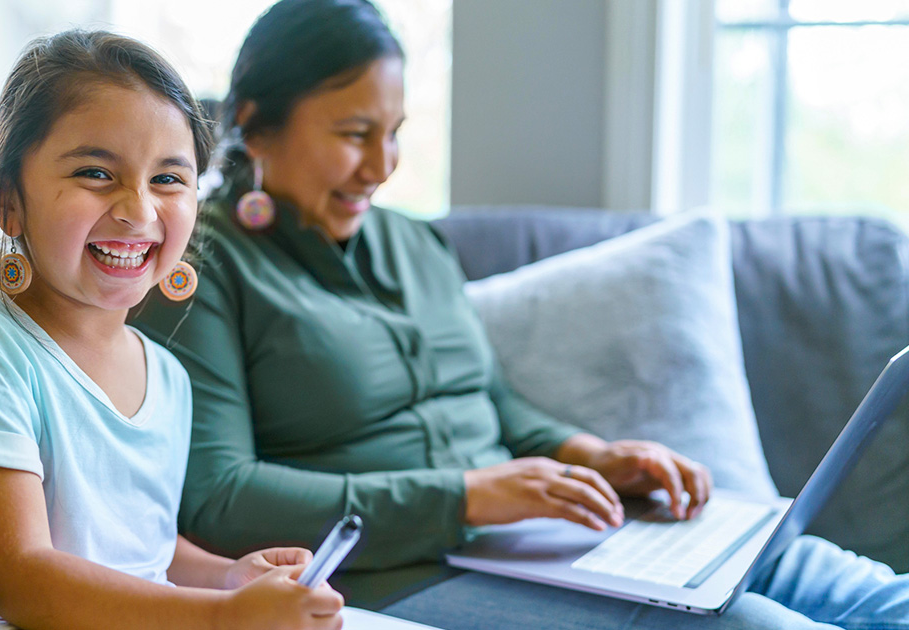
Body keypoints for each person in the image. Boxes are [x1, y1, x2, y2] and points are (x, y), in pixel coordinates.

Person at [131, 2, 909, 628]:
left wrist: (591, 454)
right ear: (256, 124)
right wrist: (468, 497)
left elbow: (489, 401)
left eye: (395, 134)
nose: (381, 166)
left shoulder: (413, 243)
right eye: (353, 134)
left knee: (880, 597)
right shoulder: (202, 266)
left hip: (545, 542)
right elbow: (219, 499)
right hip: (401, 579)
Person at [0, 30, 344, 630]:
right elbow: (21, 578)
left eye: (169, 179)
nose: (138, 211)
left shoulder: (166, 376)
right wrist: (223, 615)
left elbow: (141, 554)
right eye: (96, 172)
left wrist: (229, 578)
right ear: (3, 198)